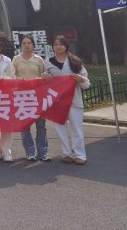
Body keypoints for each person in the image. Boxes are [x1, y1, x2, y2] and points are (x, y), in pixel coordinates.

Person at [42, 35, 90, 165]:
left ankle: (80, 155)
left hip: (74, 100)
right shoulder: (48, 62)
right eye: (56, 44)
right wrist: (45, 77)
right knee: (60, 129)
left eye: (61, 44)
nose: (58, 47)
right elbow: (44, 81)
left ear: (66, 46)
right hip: (57, 101)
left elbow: (86, 81)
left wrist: (81, 79)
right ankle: (66, 153)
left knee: (76, 128)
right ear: (52, 47)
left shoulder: (75, 62)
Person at [12, 34, 48, 162]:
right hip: (22, 97)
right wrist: (20, 80)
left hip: (37, 96)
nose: (26, 45)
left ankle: (43, 153)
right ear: (21, 45)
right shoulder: (16, 59)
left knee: (41, 126)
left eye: (29, 43)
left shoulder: (39, 60)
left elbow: (44, 76)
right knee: (25, 126)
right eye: (24, 43)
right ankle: (30, 152)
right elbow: (11, 76)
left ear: (33, 45)